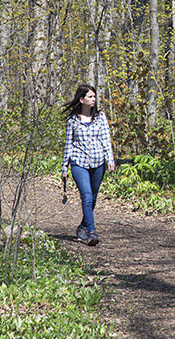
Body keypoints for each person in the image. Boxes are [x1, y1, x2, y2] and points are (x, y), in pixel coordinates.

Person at [60, 84, 115, 245]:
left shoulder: (100, 117)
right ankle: (91, 232)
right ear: (82, 99)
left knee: (93, 197)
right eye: (90, 96)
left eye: (94, 96)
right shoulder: (72, 121)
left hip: (98, 162)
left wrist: (110, 159)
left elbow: (106, 139)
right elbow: (68, 144)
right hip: (79, 163)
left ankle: (83, 226)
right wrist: (65, 167)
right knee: (87, 196)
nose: (93, 99)